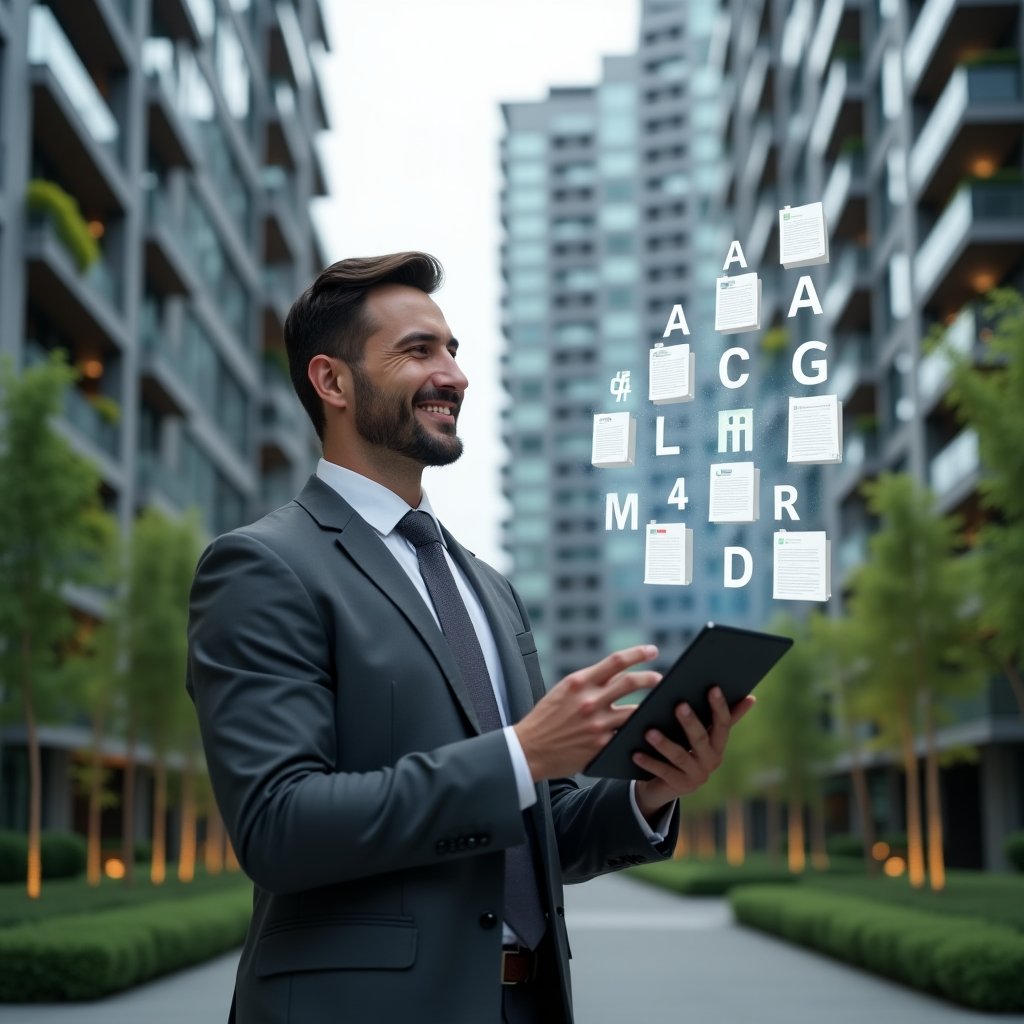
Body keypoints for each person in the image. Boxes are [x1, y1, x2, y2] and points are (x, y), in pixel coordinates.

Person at [186, 252, 754, 1024]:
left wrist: (652, 791)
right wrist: (521, 753)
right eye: (418, 350)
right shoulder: (263, 567)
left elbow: (536, 828)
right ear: (332, 383)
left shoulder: (488, 587)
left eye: (453, 350)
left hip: (524, 1003)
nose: (452, 373)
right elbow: (278, 826)